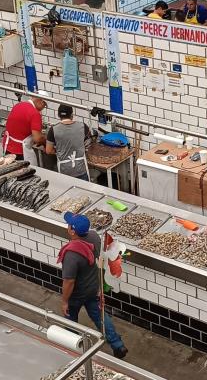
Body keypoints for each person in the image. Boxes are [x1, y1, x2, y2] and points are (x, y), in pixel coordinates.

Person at [59, 212, 128, 359]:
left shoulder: (71, 254)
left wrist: (65, 301)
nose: (68, 226)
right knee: (100, 317)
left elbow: (69, 281)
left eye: (69, 225)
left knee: (71, 320)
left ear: (72, 230)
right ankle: (118, 345)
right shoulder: (94, 237)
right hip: (93, 288)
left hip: (76, 294)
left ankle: (74, 348)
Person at [46, 104, 92, 181]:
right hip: (80, 169)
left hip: (65, 170)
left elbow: (48, 150)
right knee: (83, 191)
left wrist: (60, 151)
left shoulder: (53, 130)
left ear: (58, 115)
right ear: (71, 115)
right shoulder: (83, 126)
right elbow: (88, 144)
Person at [2, 93, 46, 166]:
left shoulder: (18, 105)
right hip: (20, 152)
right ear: (41, 102)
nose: (43, 108)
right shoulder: (35, 113)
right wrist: (45, 142)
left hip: (7, 146)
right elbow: (38, 138)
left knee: (9, 171)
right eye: (44, 106)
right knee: (22, 174)